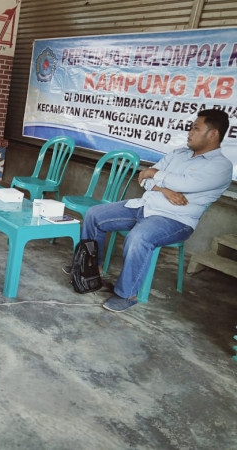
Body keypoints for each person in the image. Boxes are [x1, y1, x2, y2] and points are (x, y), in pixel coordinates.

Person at [77, 109, 233, 312]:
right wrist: (164, 188)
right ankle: (91, 269)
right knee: (94, 214)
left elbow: (185, 183)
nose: (189, 132)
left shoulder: (221, 166)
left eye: (196, 128)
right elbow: (145, 180)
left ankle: (127, 294)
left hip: (175, 219)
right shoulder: (179, 154)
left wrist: (154, 174)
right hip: (144, 206)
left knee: (138, 237)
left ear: (213, 134)